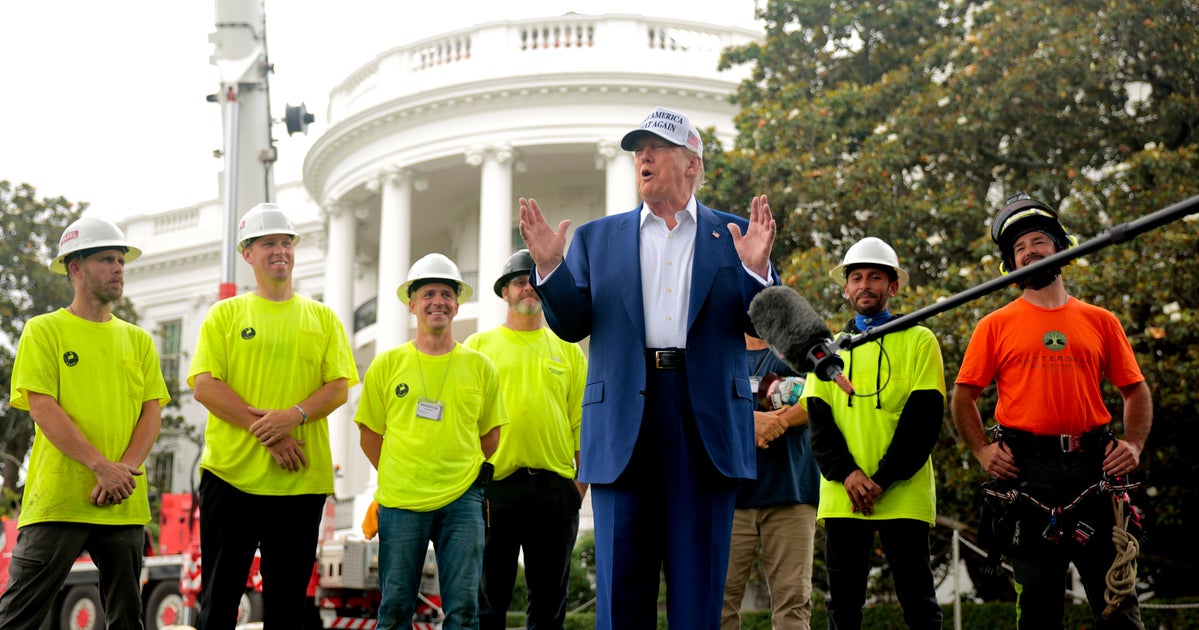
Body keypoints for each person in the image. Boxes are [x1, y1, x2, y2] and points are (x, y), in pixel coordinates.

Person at [518, 104, 778, 630]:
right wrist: (549, 267)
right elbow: (571, 325)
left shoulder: (736, 235)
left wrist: (756, 271)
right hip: (621, 424)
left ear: (692, 164)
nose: (644, 157)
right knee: (620, 596)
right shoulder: (597, 238)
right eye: (639, 151)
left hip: (703, 421)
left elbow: (761, 326)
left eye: (657, 148)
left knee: (699, 594)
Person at [952, 192, 1152, 629]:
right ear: (1011, 266)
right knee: (1040, 611)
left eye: (1038, 240)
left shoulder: (1100, 320)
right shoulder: (995, 325)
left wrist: (1133, 444)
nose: (1029, 250)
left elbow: (1135, 391)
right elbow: (963, 396)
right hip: (1027, 473)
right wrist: (984, 451)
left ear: (1062, 248)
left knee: (1118, 607)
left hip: (1094, 469)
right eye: (1018, 248)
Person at [188, 202, 358, 629]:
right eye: (269, 243)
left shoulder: (322, 318)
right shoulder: (224, 315)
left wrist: (295, 415)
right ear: (248, 253)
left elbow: (339, 386)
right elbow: (205, 385)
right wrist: (269, 430)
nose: (280, 250)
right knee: (219, 602)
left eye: (286, 242)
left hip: (300, 483)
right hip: (231, 479)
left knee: (287, 609)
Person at [0, 217, 169, 629]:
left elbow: (151, 413)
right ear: (75, 268)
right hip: (59, 500)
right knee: (17, 618)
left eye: (121, 260)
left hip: (123, 502)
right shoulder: (44, 331)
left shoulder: (139, 340)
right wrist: (100, 467)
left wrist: (122, 471)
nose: (118, 268)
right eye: (106, 259)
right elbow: (43, 408)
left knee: (127, 621)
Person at [356, 253, 507, 630]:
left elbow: (491, 435)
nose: (437, 301)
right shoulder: (387, 365)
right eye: (428, 294)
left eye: (445, 294)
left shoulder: (480, 367)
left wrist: (455, 468)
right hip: (401, 502)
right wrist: (403, 469)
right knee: (394, 610)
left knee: (464, 613)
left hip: (463, 502)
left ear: (457, 305)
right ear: (412, 304)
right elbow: (369, 434)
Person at [799, 236, 944, 630]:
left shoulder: (920, 340)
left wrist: (880, 479)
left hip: (903, 493)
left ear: (892, 286)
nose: (865, 285)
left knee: (919, 602)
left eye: (875, 277)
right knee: (842, 608)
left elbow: (924, 422)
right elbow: (819, 427)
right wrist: (849, 474)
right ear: (846, 289)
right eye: (856, 277)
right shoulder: (826, 351)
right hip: (843, 494)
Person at [464, 249, 588, 630]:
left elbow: (582, 425)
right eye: (519, 281)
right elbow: (463, 423)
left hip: (555, 491)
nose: (529, 288)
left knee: (549, 604)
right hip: (493, 491)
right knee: (487, 602)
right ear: (504, 292)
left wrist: (576, 489)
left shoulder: (569, 350)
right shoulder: (477, 347)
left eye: (535, 281)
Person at [722, 334, 821, 630]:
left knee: (793, 603)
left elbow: (818, 399)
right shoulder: (718, 352)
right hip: (729, 499)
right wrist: (748, 422)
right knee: (720, 604)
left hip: (791, 495)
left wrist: (777, 422)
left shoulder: (798, 350)